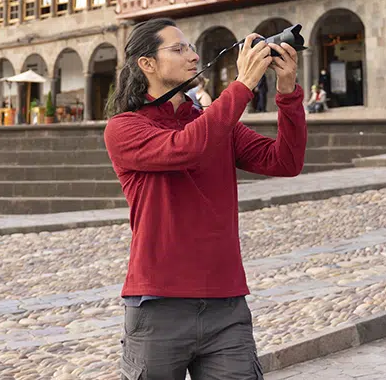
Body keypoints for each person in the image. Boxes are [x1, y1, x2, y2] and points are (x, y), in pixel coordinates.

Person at [103, 19, 306, 378]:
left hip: (225, 304)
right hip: (158, 305)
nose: (193, 56)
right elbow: (186, 148)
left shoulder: (213, 122)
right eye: (178, 49)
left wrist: (287, 92)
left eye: (192, 47)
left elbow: (285, 161)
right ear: (146, 64)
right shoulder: (125, 127)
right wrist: (242, 85)